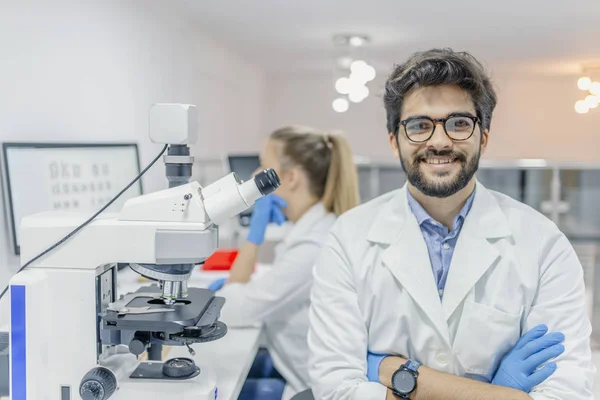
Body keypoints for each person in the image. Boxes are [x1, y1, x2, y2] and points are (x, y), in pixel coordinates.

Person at [307, 49, 595, 400]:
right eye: (419, 125)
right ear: (394, 141)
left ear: (483, 137)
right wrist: (497, 393)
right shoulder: (348, 238)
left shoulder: (543, 243)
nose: (439, 141)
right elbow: (335, 390)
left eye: (459, 123)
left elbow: (566, 393)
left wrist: (399, 375)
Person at [210, 125, 360, 400]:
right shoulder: (310, 229)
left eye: (264, 166)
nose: (255, 175)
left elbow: (234, 311)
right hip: (296, 366)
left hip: (312, 385)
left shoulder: (313, 246)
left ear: (290, 178)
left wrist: (254, 238)